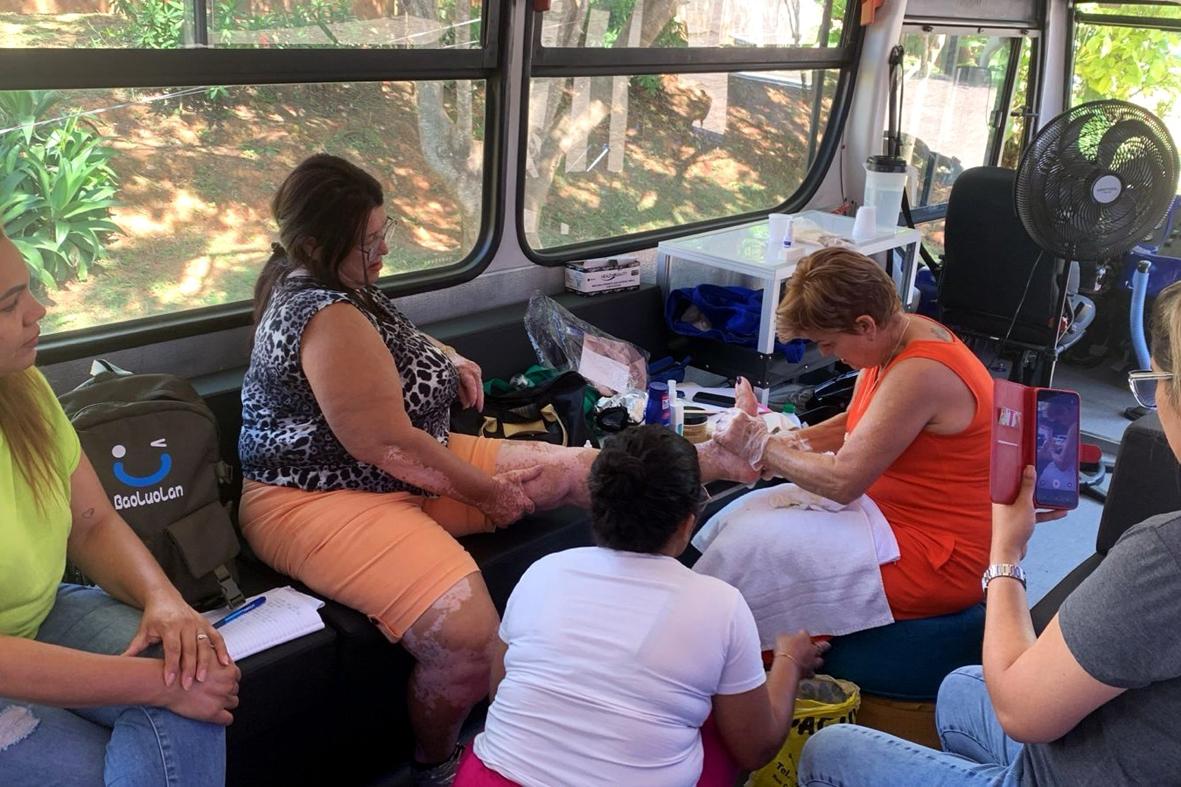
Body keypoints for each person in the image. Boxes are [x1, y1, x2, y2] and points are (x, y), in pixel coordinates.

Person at [236, 154, 759, 784]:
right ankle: (435, 766)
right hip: (319, 499)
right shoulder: (320, 311)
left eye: (384, 234)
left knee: (578, 470)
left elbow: (396, 352)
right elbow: (382, 442)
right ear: (319, 244)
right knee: (466, 644)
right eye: (368, 243)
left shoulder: (346, 284)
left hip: (406, 466)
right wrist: (487, 494)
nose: (381, 252)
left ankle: (720, 461)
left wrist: (451, 356)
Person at [797, 281, 1181, 786]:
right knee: (960, 688)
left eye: (1155, 381)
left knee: (830, 752)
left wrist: (1006, 552)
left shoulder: (1162, 558)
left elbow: (1022, 713)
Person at [457, 426, 828, 787]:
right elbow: (755, 748)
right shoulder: (721, 605)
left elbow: (501, 696)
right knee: (723, 725)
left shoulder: (541, 571)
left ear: (596, 506)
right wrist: (790, 661)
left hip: (486, 778)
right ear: (687, 523)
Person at [0, 230, 240, 786]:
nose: (38, 310)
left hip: (42, 613)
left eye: (28, 289)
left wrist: (167, 600)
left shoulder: (24, 387)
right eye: (10, 305)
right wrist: (156, 683)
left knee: (201, 672)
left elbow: (92, 523)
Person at [710, 247, 995, 620]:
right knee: (738, 517)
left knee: (753, 543)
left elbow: (844, 482)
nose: (829, 354)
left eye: (828, 343)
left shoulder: (921, 372)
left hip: (939, 554)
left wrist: (762, 446)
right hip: (891, 515)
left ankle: (750, 656)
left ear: (865, 325)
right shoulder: (899, 332)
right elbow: (858, 421)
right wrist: (791, 444)